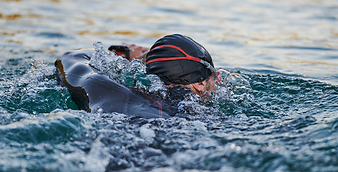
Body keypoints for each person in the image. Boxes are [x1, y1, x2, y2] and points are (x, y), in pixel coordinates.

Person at [55, 34, 217, 118]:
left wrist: (135, 56)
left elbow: (72, 59)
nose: (219, 80)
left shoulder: (118, 94)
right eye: (214, 77)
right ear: (200, 84)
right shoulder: (203, 117)